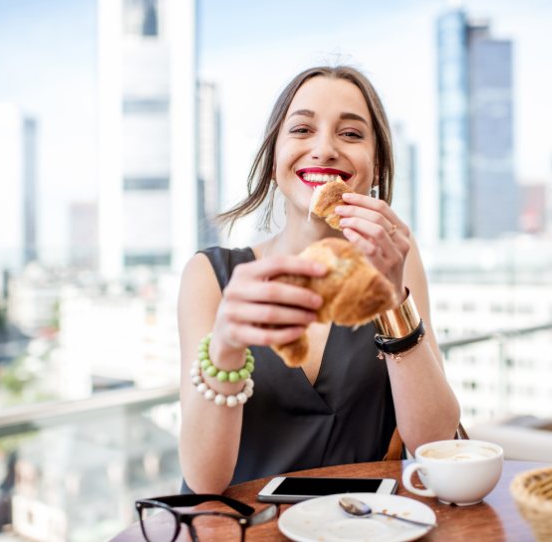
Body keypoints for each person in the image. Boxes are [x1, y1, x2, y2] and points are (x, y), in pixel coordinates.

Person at [178, 65, 460, 494]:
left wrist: (391, 297)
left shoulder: (397, 257)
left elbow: (435, 444)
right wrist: (226, 346)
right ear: (275, 160)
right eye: (303, 129)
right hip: (245, 528)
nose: (325, 149)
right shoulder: (211, 275)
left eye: (350, 134)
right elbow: (204, 481)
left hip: (362, 526)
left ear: (377, 166)